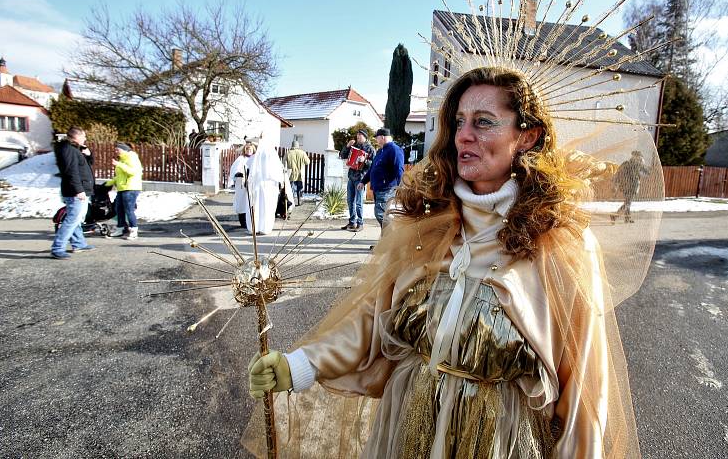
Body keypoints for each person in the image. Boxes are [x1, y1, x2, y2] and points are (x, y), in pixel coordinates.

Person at [246, 66, 662, 458]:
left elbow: (585, 385)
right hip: (405, 428)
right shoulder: (425, 224)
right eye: (459, 121)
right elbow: (372, 323)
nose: (464, 135)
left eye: (483, 122)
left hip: (497, 439)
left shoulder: (560, 243)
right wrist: (301, 364)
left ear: (528, 137)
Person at [50, 126, 95, 259]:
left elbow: (86, 165)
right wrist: (78, 190)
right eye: (84, 136)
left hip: (79, 190)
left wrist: (88, 155)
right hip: (75, 192)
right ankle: (57, 248)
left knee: (75, 220)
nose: (85, 138)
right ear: (76, 136)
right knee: (72, 220)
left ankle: (79, 243)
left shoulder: (75, 149)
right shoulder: (68, 150)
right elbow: (71, 171)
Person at [360, 128, 404, 229]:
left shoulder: (394, 150)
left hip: (387, 188)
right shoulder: (380, 151)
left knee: (381, 214)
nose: (376, 140)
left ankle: (392, 238)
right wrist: (363, 181)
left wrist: (400, 186)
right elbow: (373, 169)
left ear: (383, 137)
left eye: (377, 138)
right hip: (378, 188)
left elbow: (399, 169)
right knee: (383, 215)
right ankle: (385, 240)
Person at [246, 136, 286, 236]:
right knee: (267, 207)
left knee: (256, 206)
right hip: (269, 185)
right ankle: (265, 227)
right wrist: (281, 182)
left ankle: (254, 227)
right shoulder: (272, 155)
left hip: (257, 185)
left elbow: (249, 166)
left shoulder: (256, 155)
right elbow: (278, 171)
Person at [103, 142, 143, 240]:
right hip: (122, 188)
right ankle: (121, 228)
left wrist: (119, 165)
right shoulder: (122, 159)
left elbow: (133, 172)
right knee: (118, 209)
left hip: (131, 188)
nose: (116, 151)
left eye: (118, 149)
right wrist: (109, 183)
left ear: (124, 149)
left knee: (129, 210)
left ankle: (133, 230)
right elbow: (120, 176)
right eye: (115, 149)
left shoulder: (132, 157)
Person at [339, 130, 375, 232]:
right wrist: (347, 146)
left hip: (361, 178)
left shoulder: (370, 148)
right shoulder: (354, 146)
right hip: (351, 176)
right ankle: (352, 222)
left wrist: (365, 161)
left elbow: (374, 164)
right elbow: (342, 156)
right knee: (350, 201)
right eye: (357, 135)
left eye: (360, 136)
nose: (358, 137)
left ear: (365, 137)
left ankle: (360, 223)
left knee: (359, 202)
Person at [611, 150, 650, 224]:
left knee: (628, 202)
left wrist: (616, 184)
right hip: (631, 187)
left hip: (626, 187)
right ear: (636, 157)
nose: (640, 158)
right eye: (639, 157)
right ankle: (614, 216)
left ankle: (627, 218)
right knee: (627, 203)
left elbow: (618, 173)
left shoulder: (627, 163)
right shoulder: (636, 165)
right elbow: (647, 172)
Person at [229, 142, 256, 229]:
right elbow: (234, 169)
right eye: (247, 149)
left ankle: (250, 221)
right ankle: (243, 221)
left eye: (250, 149)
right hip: (241, 184)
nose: (249, 151)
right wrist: (237, 174)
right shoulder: (241, 159)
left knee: (250, 203)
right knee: (242, 202)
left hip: (251, 184)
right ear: (245, 150)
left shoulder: (254, 159)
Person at [285, 140, 310, 207]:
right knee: (299, 189)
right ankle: (299, 202)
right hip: (300, 175)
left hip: (291, 175)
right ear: (298, 146)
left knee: (291, 191)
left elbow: (284, 163)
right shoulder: (303, 153)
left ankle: (291, 204)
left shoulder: (288, 153)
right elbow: (307, 162)